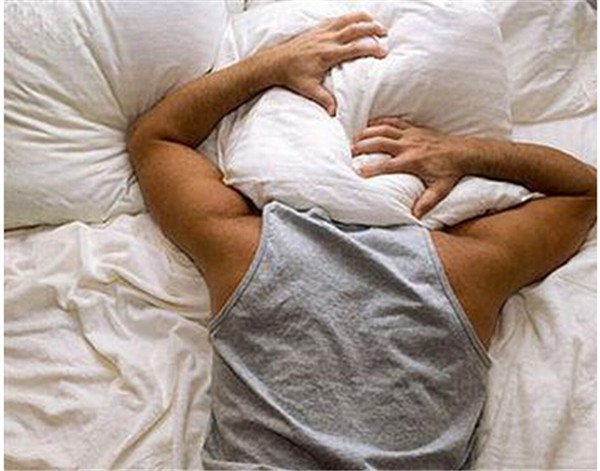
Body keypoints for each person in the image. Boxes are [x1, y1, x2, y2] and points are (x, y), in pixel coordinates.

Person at [126, 12, 596, 470]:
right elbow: (582, 192)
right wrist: (465, 152)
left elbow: (156, 138)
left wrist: (267, 67)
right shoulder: (460, 269)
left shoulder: (248, 249)